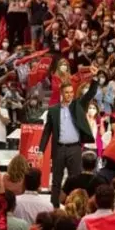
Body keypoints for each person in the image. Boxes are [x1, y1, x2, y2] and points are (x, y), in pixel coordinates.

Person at [39, 66, 99, 207]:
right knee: (56, 180)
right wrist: (41, 150)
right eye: (67, 92)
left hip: (75, 148)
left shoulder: (79, 104)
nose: (70, 95)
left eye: (71, 92)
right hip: (59, 148)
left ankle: (76, 206)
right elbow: (47, 131)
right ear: (61, 93)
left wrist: (94, 78)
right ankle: (54, 207)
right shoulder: (53, 110)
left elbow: (91, 93)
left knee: (75, 180)